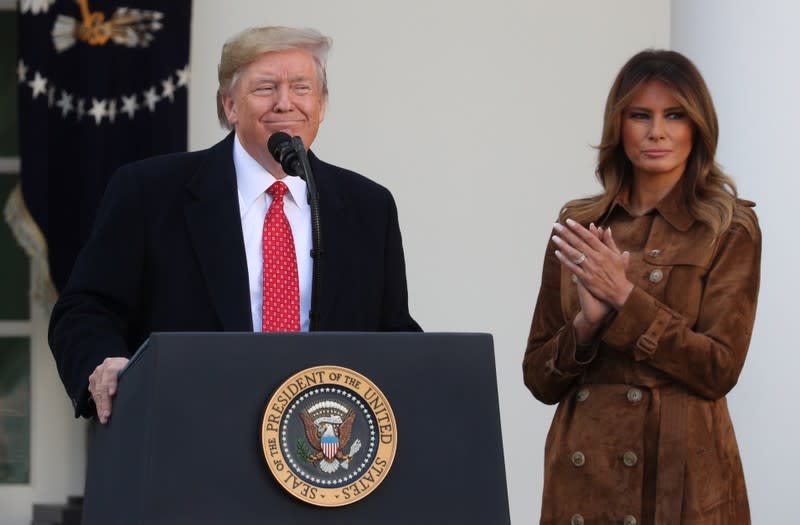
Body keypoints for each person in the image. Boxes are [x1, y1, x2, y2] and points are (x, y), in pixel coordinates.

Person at [49, 26, 421, 425]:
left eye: (301, 87)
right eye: (265, 88)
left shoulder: (368, 206)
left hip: (322, 450)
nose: (285, 103)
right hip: (190, 430)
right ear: (229, 105)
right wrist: (107, 363)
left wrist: (430, 378)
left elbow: (393, 332)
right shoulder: (149, 192)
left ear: (322, 104)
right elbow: (84, 310)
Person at [523, 50, 760, 524]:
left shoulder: (729, 227)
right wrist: (586, 327)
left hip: (678, 479)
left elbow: (718, 368)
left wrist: (624, 299)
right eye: (640, 115)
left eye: (674, 115)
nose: (657, 132)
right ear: (619, 126)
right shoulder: (579, 223)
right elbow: (538, 377)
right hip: (583, 481)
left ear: (698, 126)